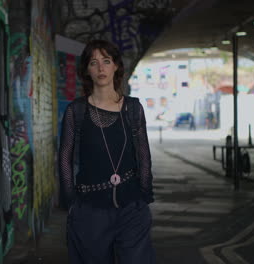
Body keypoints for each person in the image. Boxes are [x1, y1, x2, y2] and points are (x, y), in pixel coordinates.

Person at [59, 39, 155, 264]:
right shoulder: (77, 111)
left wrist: (144, 193)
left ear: (116, 66)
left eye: (106, 61)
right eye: (94, 63)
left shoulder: (133, 108)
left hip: (131, 206)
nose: (101, 68)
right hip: (90, 209)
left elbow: (143, 153)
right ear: (87, 71)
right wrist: (70, 201)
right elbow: (65, 157)